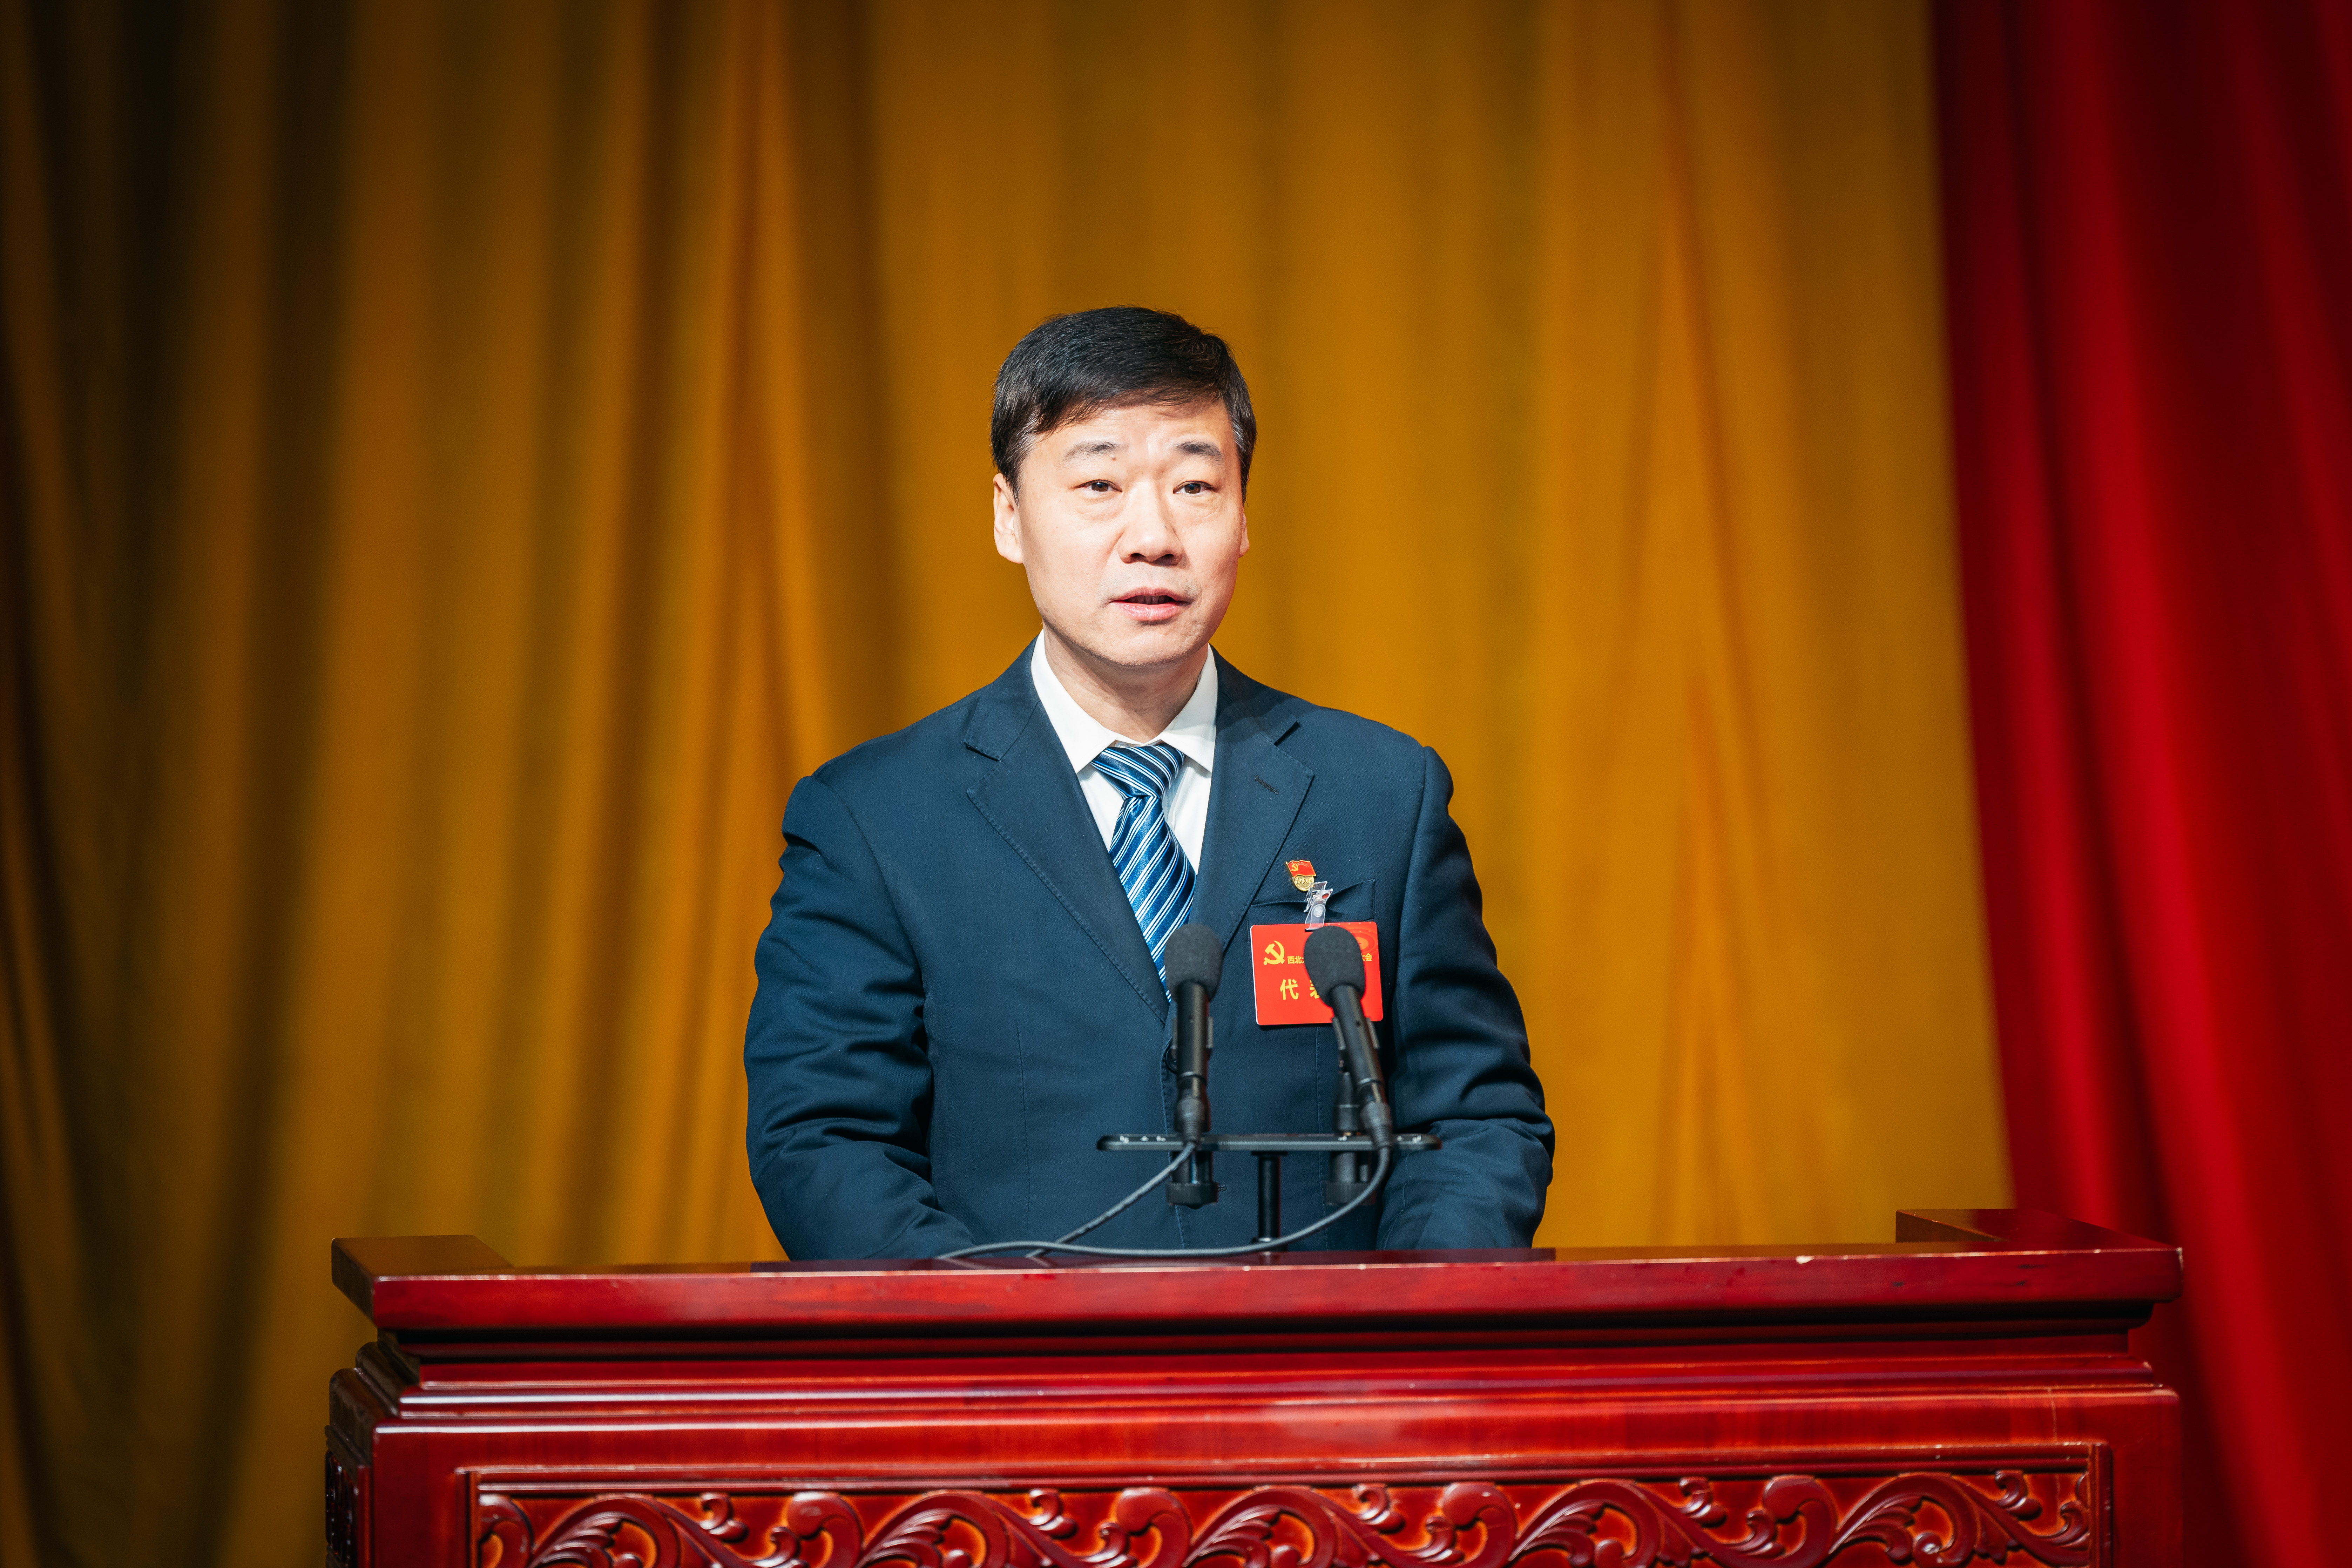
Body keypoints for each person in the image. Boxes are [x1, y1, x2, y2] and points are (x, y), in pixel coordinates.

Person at [745, 306, 1551, 1259]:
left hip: (1325, 1353)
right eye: (1099, 484)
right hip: (1013, 1349)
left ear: (1243, 516)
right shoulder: (876, 818)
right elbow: (827, 1141)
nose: (1153, 537)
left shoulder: (1379, 793)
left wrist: (1394, 1321)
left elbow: (1475, 1120)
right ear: (1009, 516)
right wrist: (998, 1329)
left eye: (1195, 486)